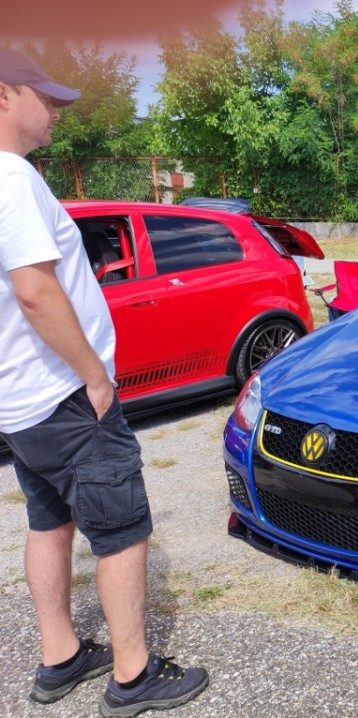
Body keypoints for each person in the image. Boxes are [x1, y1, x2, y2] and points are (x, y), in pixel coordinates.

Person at [0, 46, 209, 714]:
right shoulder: (9, 178)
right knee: (122, 526)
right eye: (46, 96)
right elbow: (35, 292)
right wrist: (94, 376)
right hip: (63, 394)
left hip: (23, 401)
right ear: (5, 94)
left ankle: (60, 658)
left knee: (48, 519)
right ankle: (133, 675)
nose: (58, 109)